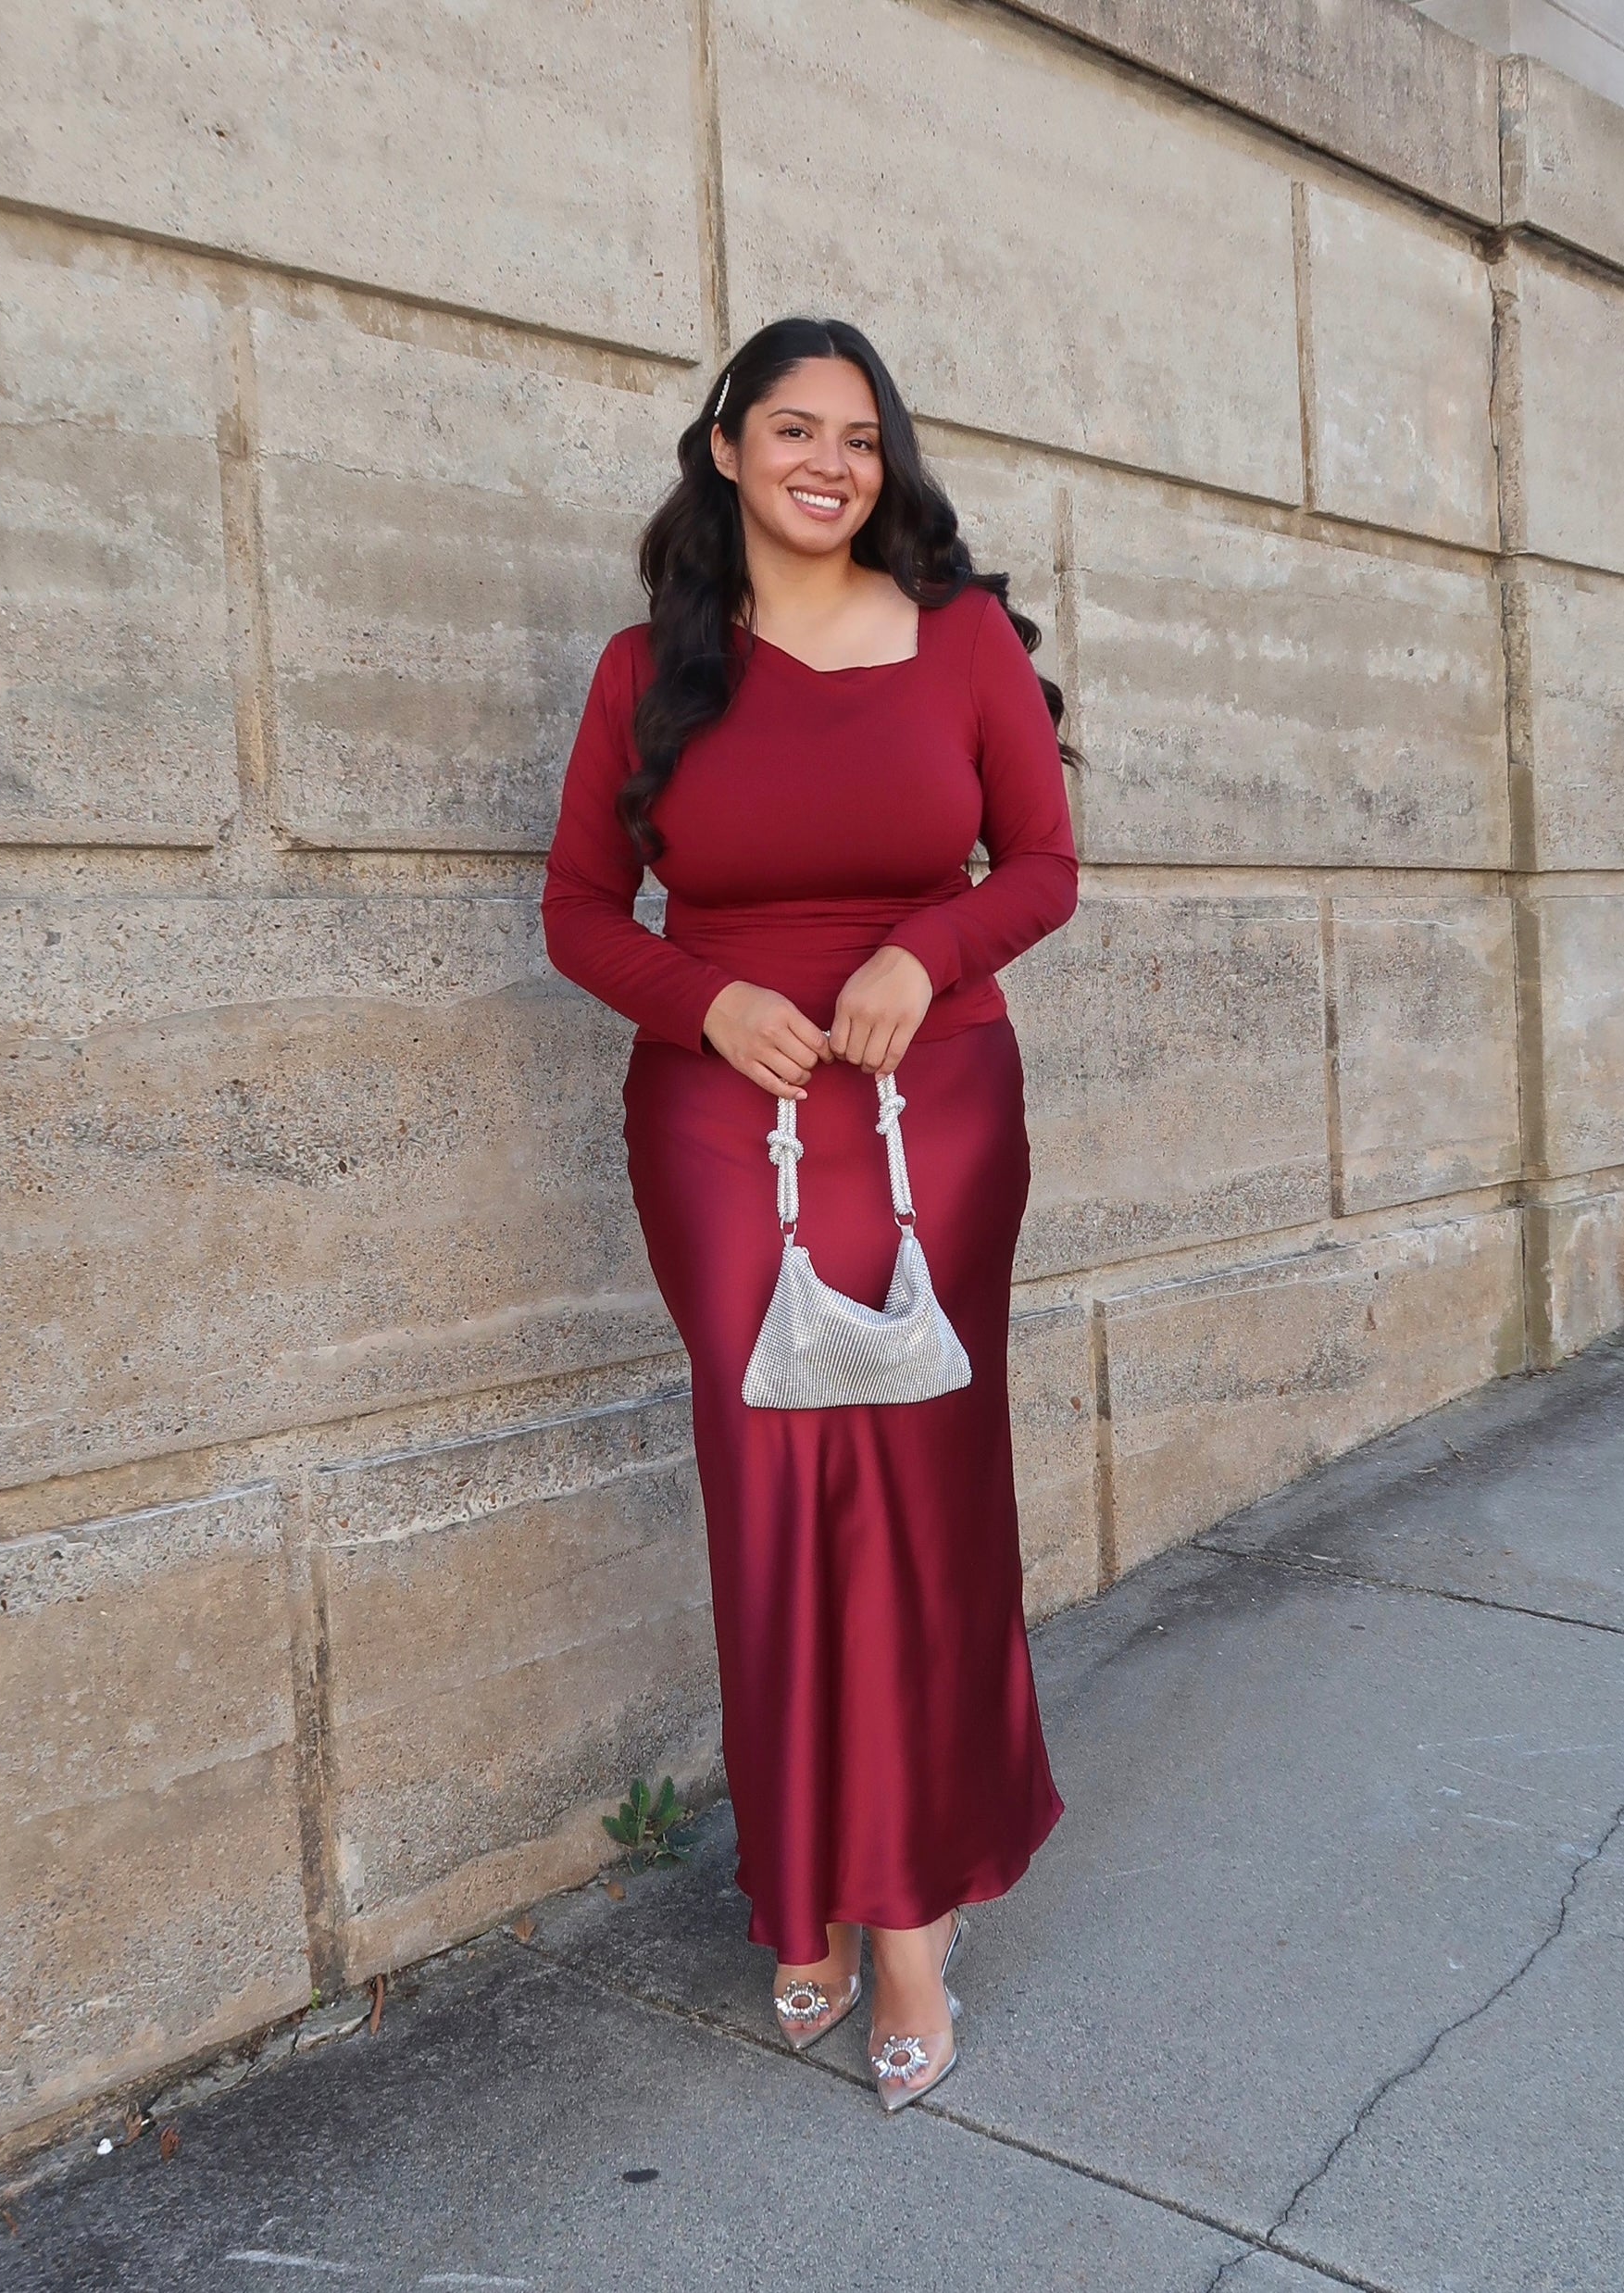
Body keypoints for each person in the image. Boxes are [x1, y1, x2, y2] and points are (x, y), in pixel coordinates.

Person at [541, 316, 1080, 2111]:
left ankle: (909, 1907)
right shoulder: (650, 668)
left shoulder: (968, 641)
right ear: (724, 452)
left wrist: (927, 953)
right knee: (778, 1498)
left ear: (886, 459)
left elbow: (1046, 867)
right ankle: (807, 1883)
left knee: (921, 1497)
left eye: (859, 434)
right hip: (722, 1119)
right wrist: (704, 1001)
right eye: (792, 429)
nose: (829, 460)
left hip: (936, 1108)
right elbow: (579, 910)